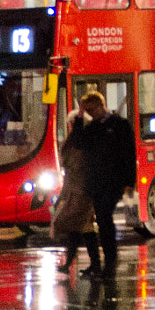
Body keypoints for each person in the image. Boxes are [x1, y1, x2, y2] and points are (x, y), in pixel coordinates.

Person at [61, 89, 138, 276]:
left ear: (101, 105)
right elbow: (78, 142)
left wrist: (129, 181)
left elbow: (129, 153)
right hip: (95, 182)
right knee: (102, 221)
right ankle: (106, 262)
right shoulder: (91, 128)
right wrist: (79, 117)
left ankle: (109, 262)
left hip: (112, 181)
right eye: (86, 110)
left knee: (104, 218)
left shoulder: (119, 125)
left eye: (91, 109)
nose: (90, 113)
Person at [51, 112, 100, 276]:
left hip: (81, 193)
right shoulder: (86, 143)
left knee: (82, 228)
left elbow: (72, 168)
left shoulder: (78, 144)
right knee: (80, 228)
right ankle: (90, 264)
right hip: (81, 192)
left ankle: (93, 265)